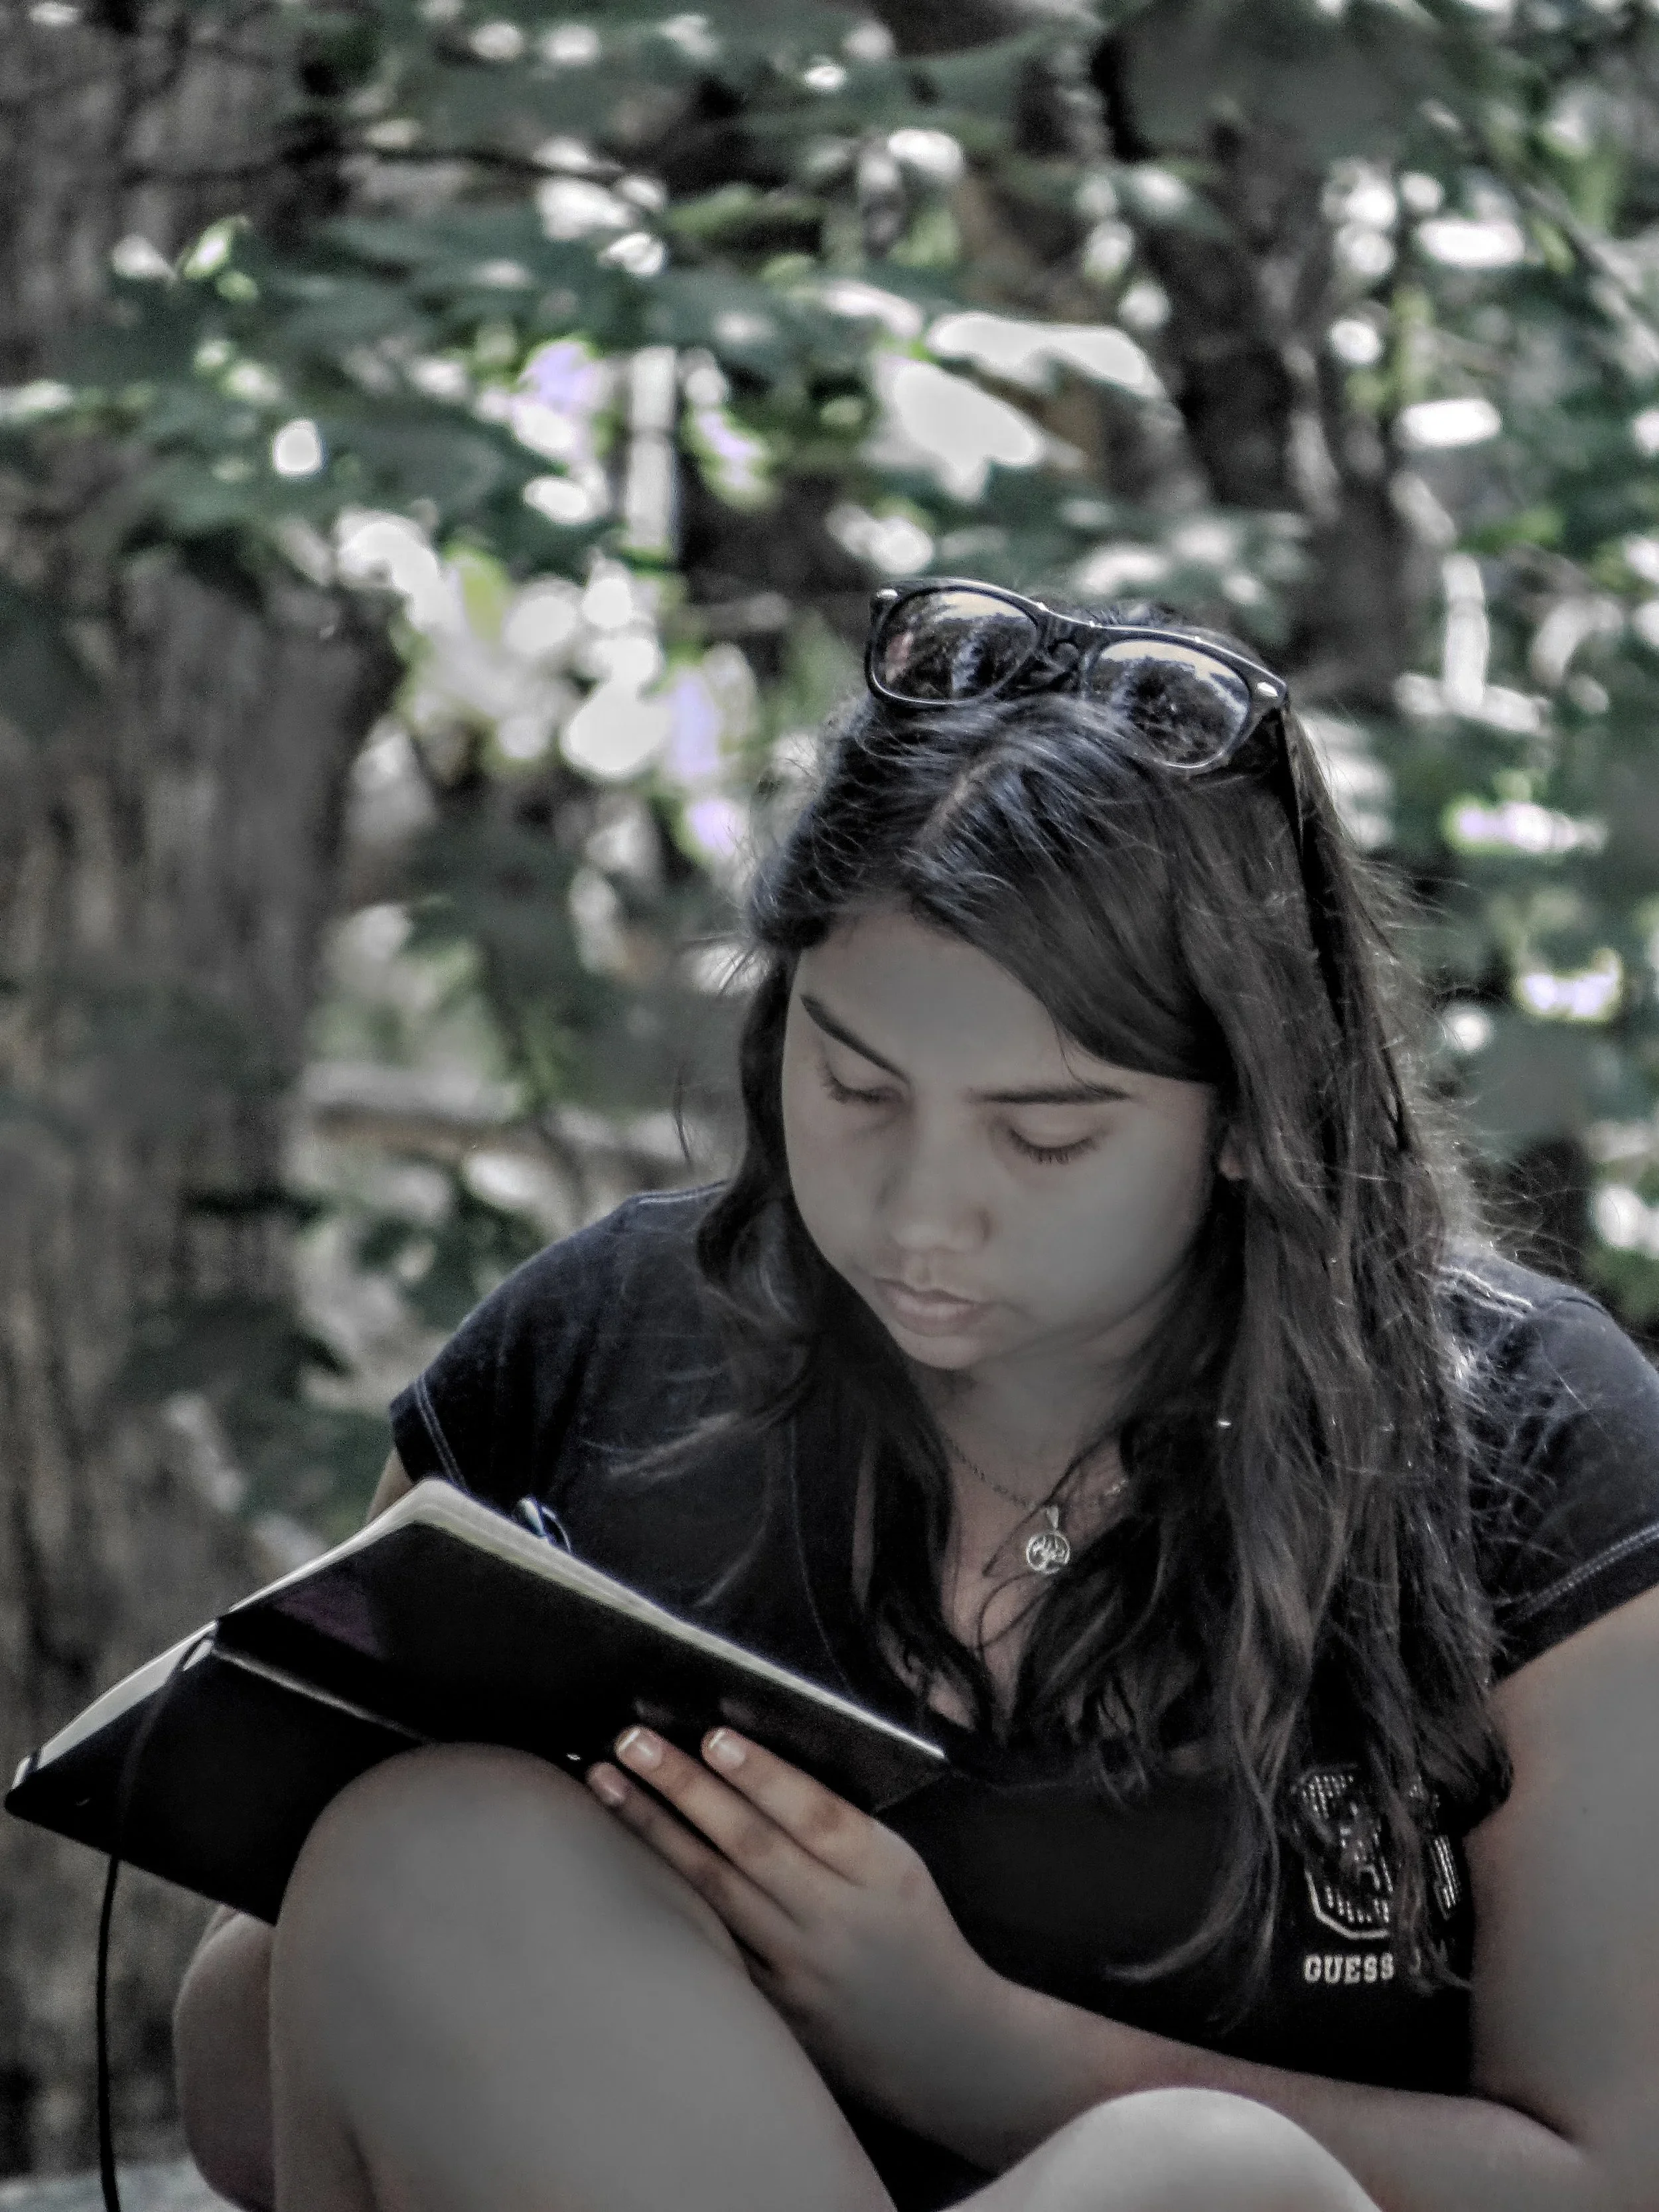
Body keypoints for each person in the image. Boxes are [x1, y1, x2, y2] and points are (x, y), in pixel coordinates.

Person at [173, 579, 1659, 2212]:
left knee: (1194, 2183)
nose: (918, 1212)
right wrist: (559, 1934)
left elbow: (1605, 2175)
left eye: (1045, 1133)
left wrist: (959, 2044)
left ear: (1252, 1114)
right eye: (854, 1084)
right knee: (434, 1841)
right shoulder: (607, 1344)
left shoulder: (1528, 1442)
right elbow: (255, 2083)